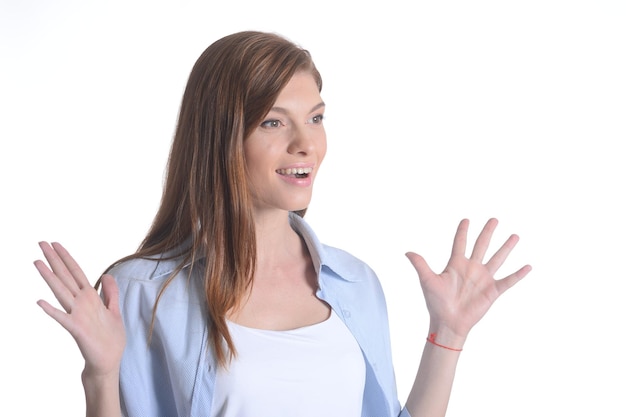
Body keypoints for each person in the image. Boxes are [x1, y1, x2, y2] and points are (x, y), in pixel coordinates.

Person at [34, 31, 531, 417]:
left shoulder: (355, 284)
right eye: (273, 122)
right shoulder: (142, 291)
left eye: (315, 118)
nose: (307, 144)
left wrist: (447, 334)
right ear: (221, 138)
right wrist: (101, 376)